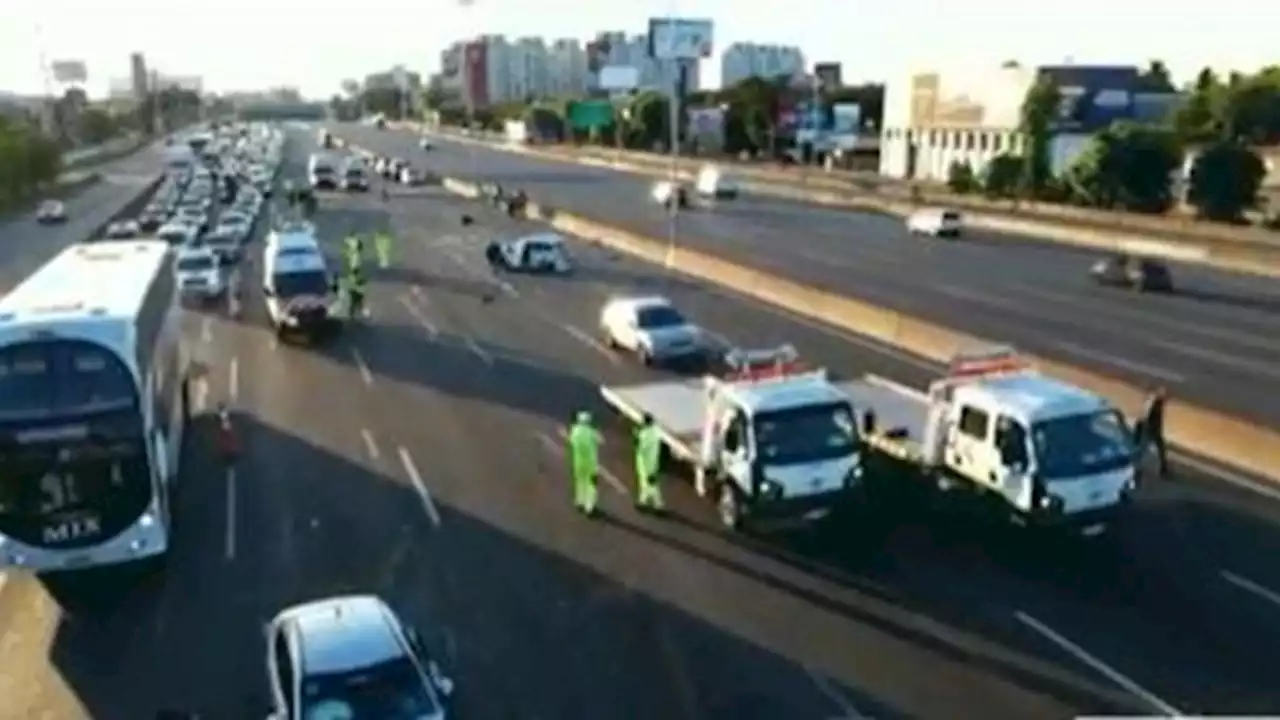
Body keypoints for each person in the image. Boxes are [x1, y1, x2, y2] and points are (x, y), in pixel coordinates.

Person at [568, 411, 602, 517]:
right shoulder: (592, 432)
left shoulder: (575, 431)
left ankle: (580, 501)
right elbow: (601, 441)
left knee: (580, 482)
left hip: (578, 462)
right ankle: (590, 508)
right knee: (591, 486)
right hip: (591, 463)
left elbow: (571, 441)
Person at [634, 413, 664, 512]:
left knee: (648, 484)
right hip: (654, 461)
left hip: (645, 463)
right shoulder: (656, 432)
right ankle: (644, 501)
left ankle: (657, 504)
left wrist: (636, 436)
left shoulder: (644, 434)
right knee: (651, 483)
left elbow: (640, 447)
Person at [1139, 386, 1168, 479]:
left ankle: (1163, 468)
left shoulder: (1155, 403)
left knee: (1157, 448)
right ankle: (1162, 469)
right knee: (1149, 448)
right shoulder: (1155, 405)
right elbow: (1148, 418)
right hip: (1151, 429)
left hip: (1152, 429)